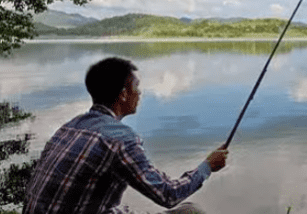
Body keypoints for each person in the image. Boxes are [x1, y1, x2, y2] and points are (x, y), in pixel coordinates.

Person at [23, 57, 228, 214]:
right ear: (123, 94)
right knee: (190, 211)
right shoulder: (119, 139)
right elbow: (167, 194)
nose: (140, 94)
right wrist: (208, 166)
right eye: (136, 87)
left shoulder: (70, 127)